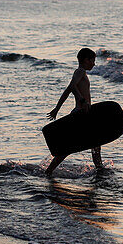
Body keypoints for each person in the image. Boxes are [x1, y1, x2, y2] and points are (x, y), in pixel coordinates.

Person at [46, 47, 104, 176]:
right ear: (85, 60)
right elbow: (72, 87)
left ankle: (100, 169)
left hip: (82, 112)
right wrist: (82, 100)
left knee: (94, 143)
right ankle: (100, 170)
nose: (94, 63)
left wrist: (57, 108)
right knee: (74, 145)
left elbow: (68, 90)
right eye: (92, 60)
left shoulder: (79, 73)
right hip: (81, 113)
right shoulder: (80, 72)